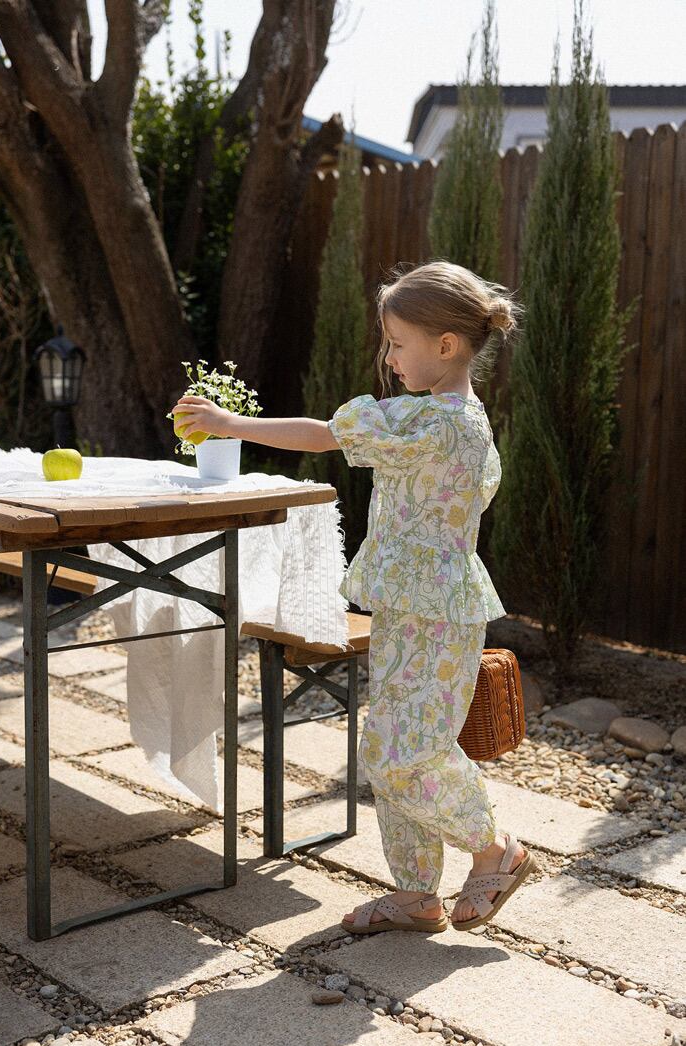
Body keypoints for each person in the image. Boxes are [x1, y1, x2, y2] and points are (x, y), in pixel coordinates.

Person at [170, 259, 537, 935]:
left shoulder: (439, 424)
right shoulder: (440, 415)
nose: (389, 358)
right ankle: (417, 894)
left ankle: (494, 849)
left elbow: (323, 435)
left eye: (397, 343)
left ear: (446, 345)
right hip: (410, 606)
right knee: (389, 746)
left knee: (408, 751)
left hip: (436, 614)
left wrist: (230, 423)